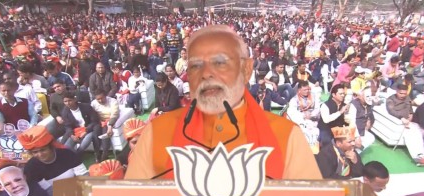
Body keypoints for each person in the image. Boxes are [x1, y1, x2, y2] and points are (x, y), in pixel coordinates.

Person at [125, 25, 322, 180]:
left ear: (246, 70)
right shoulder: (154, 135)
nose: (207, 74)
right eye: (196, 65)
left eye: (220, 63)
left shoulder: (288, 138)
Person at [17, 126, 88, 193]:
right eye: (35, 152)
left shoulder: (67, 154)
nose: (40, 154)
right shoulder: (31, 168)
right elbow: (49, 192)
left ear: (51, 147)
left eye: (43, 150)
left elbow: (83, 175)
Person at [386, 84, 424, 164]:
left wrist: (411, 114)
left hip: (409, 120)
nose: (403, 95)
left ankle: (422, 155)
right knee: (410, 134)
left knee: (417, 132)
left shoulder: (407, 98)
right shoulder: (390, 100)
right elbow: (391, 111)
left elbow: (410, 108)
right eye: (401, 93)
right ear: (397, 91)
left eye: (405, 93)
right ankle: (416, 157)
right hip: (400, 121)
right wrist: (402, 118)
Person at [61, 93, 102, 161]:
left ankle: (78, 155)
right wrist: (72, 135)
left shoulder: (86, 107)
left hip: (89, 129)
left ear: (74, 99)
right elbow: (67, 126)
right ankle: (71, 158)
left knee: (84, 144)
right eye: (65, 101)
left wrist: (86, 131)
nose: (68, 103)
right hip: (76, 131)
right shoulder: (65, 112)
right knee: (67, 146)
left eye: (69, 100)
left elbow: (95, 121)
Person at [286, 80, 320, 154]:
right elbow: (292, 112)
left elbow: (317, 109)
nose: (307, 91)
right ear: (299, 90)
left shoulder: (314, 96)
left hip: (313, 119)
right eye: (305, 90)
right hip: (302, 120)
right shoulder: (294, 99)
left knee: (315, 131)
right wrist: (303, 116)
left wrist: (310, 116)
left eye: (308, 89)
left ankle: (314, 149)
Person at [90, 89, 120, 161]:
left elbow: (114, 114)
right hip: (98, 121)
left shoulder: (113, 101)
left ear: (105, 96)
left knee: (105, 131)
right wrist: (99, 122)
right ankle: (97, 153)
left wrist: (110, 125)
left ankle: (105, 153)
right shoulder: (93, 103)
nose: (100, 100)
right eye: (98, 99)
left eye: (102, 98)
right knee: (96, 131)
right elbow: (93, 115)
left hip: (110, 120)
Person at [346, 87, 375, 152]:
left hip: (361, 130)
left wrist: (369, 124)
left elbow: (371, 116)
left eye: (370, 96)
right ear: (360, 97)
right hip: (351, 130)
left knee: (371, 138)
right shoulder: (354, 105)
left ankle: (356, 152)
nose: (369, 98)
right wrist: (357, 136)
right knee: (356, 142)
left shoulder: (368, 104)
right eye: (367, 96)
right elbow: (352, 122)